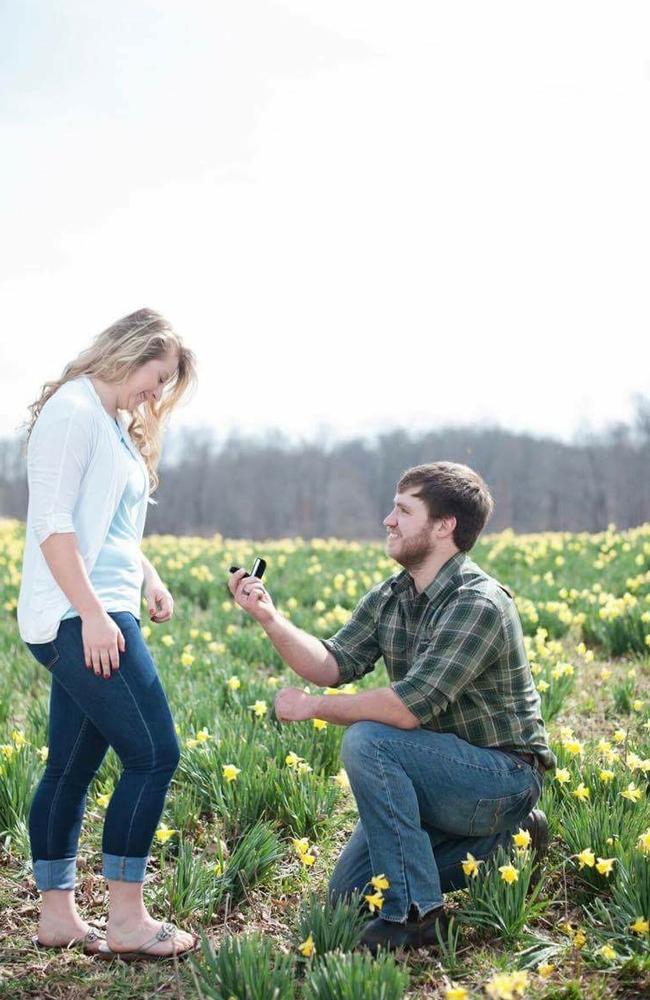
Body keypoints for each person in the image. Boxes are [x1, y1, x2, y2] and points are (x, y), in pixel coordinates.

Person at [228, 461, 555, 953]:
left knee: (370, 739)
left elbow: (406, 709)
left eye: (404, 510)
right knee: (349, 897)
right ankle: (508, 846)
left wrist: (314, 707)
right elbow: (333, 662)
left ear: (445, 526)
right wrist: (269, 618)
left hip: (499, 777)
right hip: (434, 773)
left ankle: (417, 915)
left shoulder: (478, 603)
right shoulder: (393, 596)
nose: (388, 520)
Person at [17, 308, 199, 960]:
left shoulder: (112, 421)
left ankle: (58, 916)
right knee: (155, 754)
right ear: (128, 353)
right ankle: (127, 921)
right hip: (78, 616)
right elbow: (55, 526)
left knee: (71, 766)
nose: (156, 394)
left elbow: (110, 527)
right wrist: (95, 612)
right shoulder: (72, 414)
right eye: (157, 378)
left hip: (99, 606)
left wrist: (147, 576)